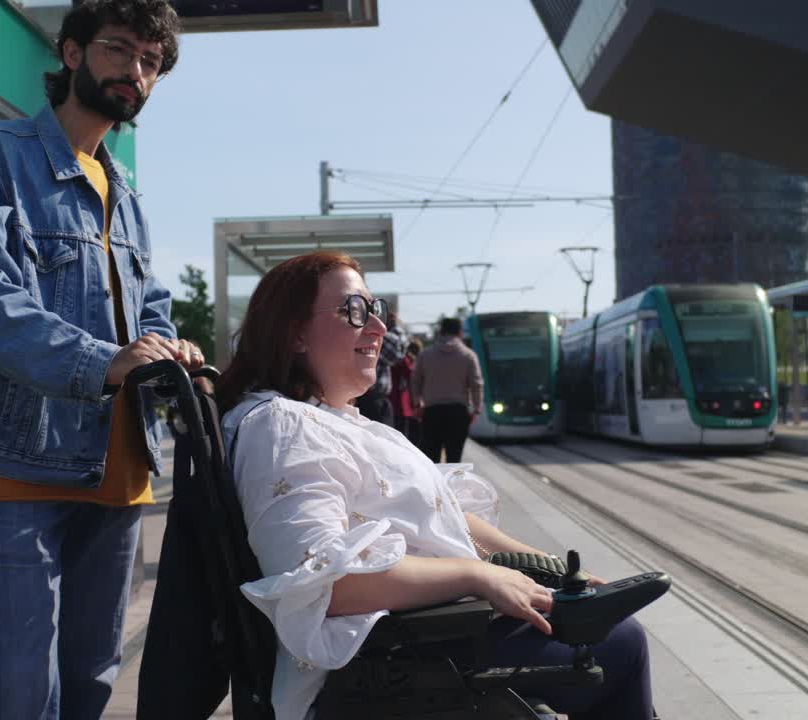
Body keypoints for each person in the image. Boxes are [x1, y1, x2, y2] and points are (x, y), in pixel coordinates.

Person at [215, 251, 653, 720]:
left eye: (375, 309)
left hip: (429, 639)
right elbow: (325, 585)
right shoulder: (283, 428)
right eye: (354, 312)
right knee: (622, 646)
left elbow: (441, 515)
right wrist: (478, 575)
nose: (379, 329)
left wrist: (549, 572)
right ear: (294, 331)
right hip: (391, 661)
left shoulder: (331, 420)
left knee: (611, 629)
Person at [0, 3, 202, 717]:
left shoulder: (127, 196)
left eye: (150, 62)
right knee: (20, 689)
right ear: (72, 53)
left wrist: (172, 348)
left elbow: (151, 303)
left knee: (91, 679)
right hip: (14, 458)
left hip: (119, 465)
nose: (134, 71)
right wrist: (103, 360)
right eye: (118, 50)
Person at [413, 317, 484, 462]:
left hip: (432, 412)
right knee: (454, 458)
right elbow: (476, 384)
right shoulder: (469, 355)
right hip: (458, 413)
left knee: (432, 459)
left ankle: (435, 485)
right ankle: (453, 484)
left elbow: (415, 381)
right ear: (460, 333)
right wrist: (476, 408)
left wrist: (417, 403)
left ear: (440, 331)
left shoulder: (425, 355)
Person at [355, 310, 405, 426]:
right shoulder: (382, 335)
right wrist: (394, 326)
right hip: (372, 397)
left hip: (374, 397)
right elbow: (397, 354)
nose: (381, 328)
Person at [391, 338, 423, 447]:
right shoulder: (407, 362)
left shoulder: (398, 360)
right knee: (406, 438)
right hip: (404, 405)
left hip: (397, 403)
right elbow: (412, 379)